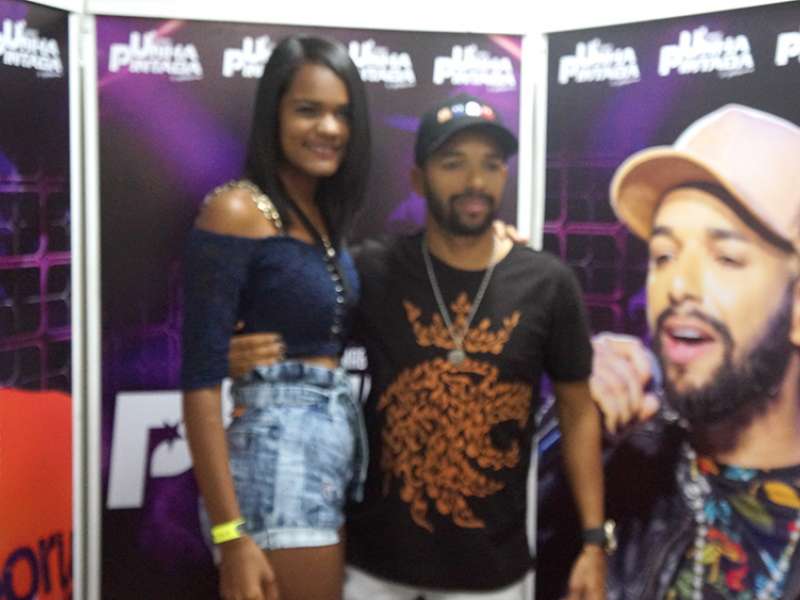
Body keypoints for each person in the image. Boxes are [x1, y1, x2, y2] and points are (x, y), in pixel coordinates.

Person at [230, 93, 608, 599]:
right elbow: (294, 337)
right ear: (418, 179)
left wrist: (593, 541)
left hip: (491, 577)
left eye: (491, 165)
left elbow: (578, 411)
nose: (475, 182)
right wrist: (245, 353)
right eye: (453, 164)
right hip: (373, 570)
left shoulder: (548, 283)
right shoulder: (371, 269)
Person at [180, 34, 371, 600]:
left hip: (325, 457)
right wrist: (231, 534)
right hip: (275, 464)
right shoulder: (237, 209)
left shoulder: (319, 215)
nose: (329, 128)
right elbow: (198, 383)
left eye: (342, 113)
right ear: (274, 115)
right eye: (308, 110)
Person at [589, 104, 800, 599]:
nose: (678, 285)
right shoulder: (621, 468)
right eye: (663, 255)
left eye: (726, 257)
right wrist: (568, 425)